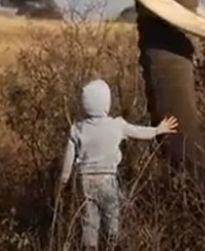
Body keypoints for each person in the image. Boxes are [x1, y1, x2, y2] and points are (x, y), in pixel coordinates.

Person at [56, 78, 179, 251]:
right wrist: (158, 130)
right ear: (106, 101)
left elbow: (68, 162)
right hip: (107, 178)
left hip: (84, 180)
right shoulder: (116, 125)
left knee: (89, 221)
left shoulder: (77, 129)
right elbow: (138, 132)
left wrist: (63, 183)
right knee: (112, 216)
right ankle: (112, 246)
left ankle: (90, 247)